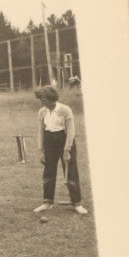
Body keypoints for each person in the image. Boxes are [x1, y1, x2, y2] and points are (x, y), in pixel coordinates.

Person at [34, 86, 89, 215]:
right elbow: (41, 131)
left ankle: (77, 203)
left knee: (71, 172)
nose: (41, 102)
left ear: (52, 99)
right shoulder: (42, 111)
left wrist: (67, 150)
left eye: (43, 99)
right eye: (40, 99)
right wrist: (40, 150)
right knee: (48, 172)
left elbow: (70, 131)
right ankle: (47, 202)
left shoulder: (65, 110)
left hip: (65, 140)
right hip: (49, 140)